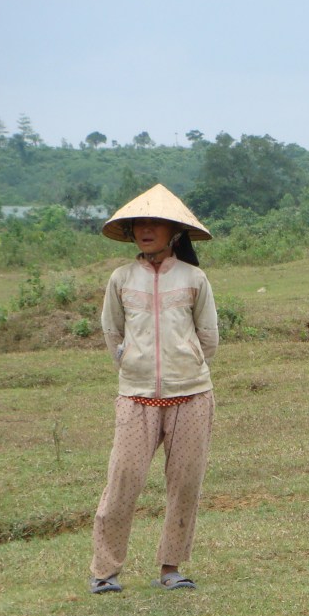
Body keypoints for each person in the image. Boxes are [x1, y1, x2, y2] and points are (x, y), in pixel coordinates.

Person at [89, 184, 219, 594]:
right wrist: (132, 363)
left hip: (192, 396)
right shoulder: (121, 278)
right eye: (139, 224)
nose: (146, 230)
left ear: (174, 232)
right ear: (130, 233)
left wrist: (188, 365)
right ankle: (104, 572)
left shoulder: (194, 278)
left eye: (155, 223)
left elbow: (208, 336)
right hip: (135, 397)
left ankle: (170, 568)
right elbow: (112, 330)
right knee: (122, 481)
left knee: (185, 485)